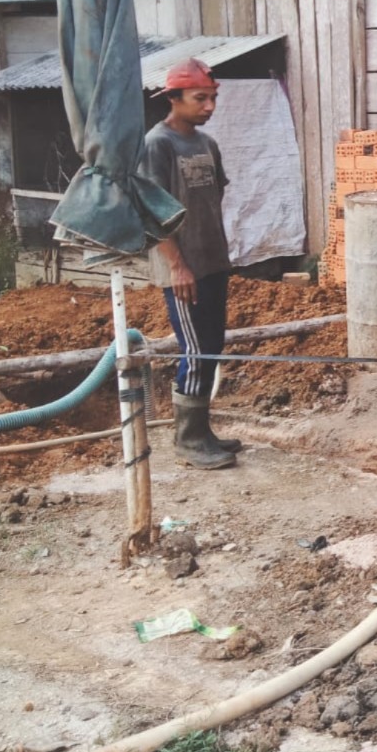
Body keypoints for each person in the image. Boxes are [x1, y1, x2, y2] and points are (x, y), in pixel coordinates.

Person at [141, 58, 240, 471]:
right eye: (201, 98)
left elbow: (213, 198)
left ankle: (203, 430)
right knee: (195, 349)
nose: (210, 106)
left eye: (213, 98)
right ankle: (188, 439)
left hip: (212, 259)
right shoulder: (156, 144)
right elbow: (151, 211)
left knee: (212, 347)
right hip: (181, 268)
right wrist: (178, 265)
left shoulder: (206, 144)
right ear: (175, 98)